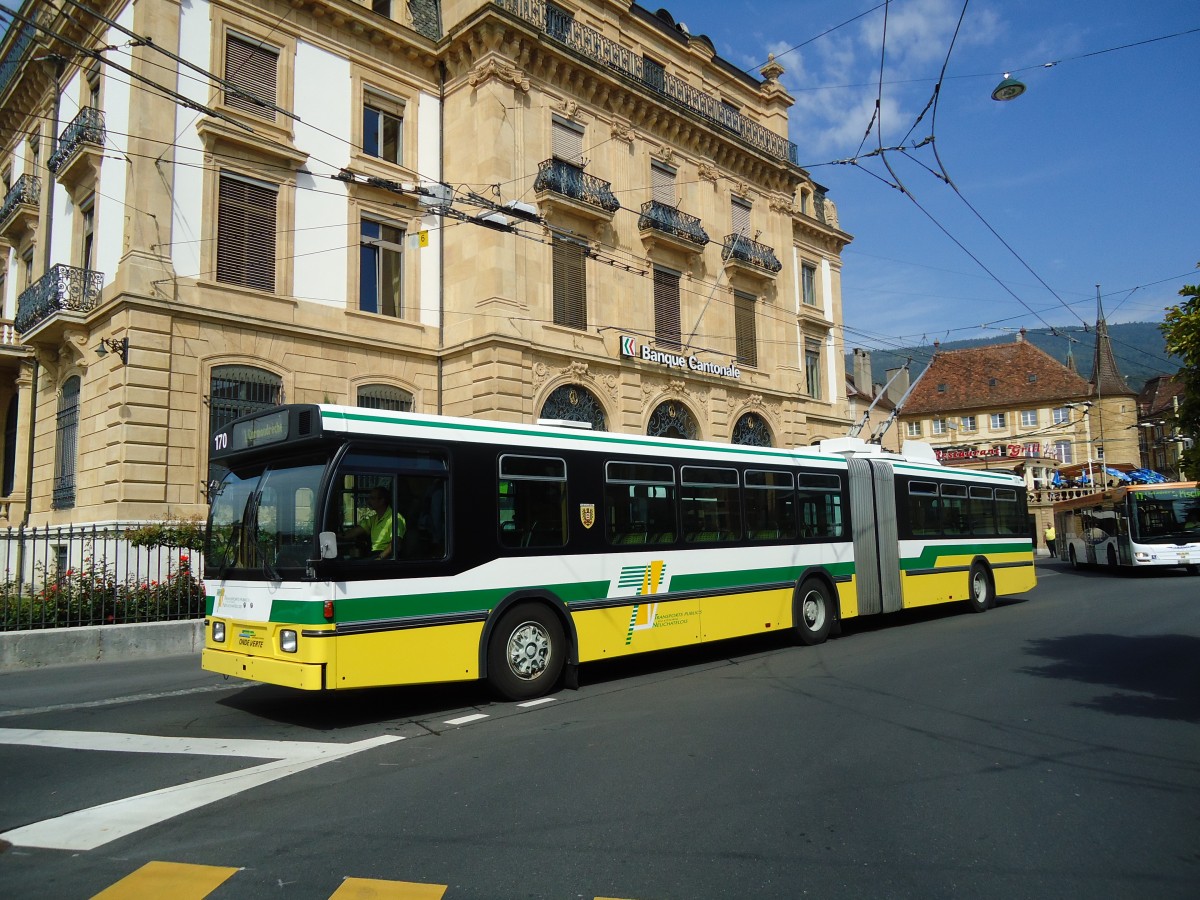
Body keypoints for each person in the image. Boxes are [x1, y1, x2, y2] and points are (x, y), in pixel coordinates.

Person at [344, 486, 405, 559]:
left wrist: (379, 558)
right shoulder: (373, 518)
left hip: (386, 557)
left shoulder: (395, 518)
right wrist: (338, 536)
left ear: (382, 501)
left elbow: (395, 544)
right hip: (374, 555)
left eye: (372, 498)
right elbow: (355, 531)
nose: (368, 501)